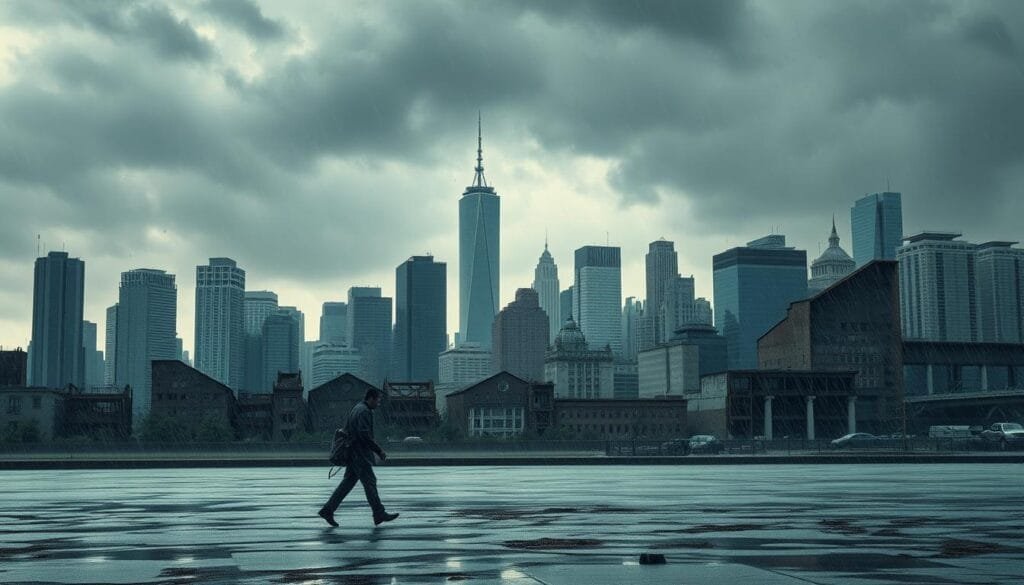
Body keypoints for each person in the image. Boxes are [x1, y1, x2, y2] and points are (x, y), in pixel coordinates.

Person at [318, 387, 399, 527]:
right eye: (378, 400)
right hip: (359, 454)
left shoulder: (357, 408)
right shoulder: (364, 412)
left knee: (347, 483)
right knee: (370, 482)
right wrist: (379, 451)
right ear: (371, 398)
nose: (378, 404)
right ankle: (379, 513)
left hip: (352, 453)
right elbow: (364, 435)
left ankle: (328, 510)